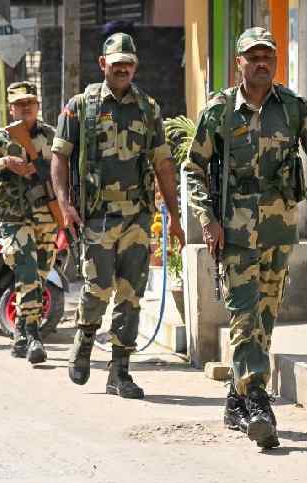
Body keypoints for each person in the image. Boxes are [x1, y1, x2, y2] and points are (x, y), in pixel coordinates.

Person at [183, 27, 307, 449]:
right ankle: (258, 401)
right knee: (244, 315)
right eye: (253, 56)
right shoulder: (220, 111)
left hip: (279, 233)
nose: (261, 63)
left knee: (264, 317)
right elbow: (193, 168)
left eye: (268, 56)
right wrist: (207, 220)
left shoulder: (294, 108)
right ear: (238, 62)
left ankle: (234, 399)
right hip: (235, 233)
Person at [51, 32, 184, 400]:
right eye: (116, 63)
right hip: (97, 216)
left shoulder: (148, 108)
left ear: (135, 66)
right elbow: (59, 157)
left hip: (138, 218)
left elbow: (163, 163)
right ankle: (85, 338)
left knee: (130, 295)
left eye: (128, 63)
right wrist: (64, 205)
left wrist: (173, 216)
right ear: (103, 64)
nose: (122, 68)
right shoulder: (81, 105)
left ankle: (119, 372)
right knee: (97, 289)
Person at [0, 81, 58, 364]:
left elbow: (67, 170)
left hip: (47, 216)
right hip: (14, 218)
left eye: (30, 103)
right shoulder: (0, 138)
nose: (25, 108)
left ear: (37, 106)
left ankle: (21, 330)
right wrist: (4, 164)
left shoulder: (52, 136)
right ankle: (34, 335)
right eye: (20, 104)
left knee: (40, 276)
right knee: (26, 271)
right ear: (11, 109)